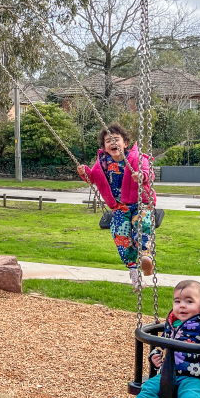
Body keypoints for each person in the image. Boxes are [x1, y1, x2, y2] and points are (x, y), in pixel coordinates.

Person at [77, 123, 155, 287]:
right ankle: (133, 270)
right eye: (108, 141)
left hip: (140, 203)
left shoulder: (137, 158)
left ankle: (145, 256)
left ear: (125, 143)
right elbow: (94, 178)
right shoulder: (102, 163)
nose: (112, 143)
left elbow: (148, 172)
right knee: (119, 234)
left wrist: (141, 176)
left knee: (142, 224)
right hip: (120, 207)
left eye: (116, 139)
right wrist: (85, 172)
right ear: (104, 147)